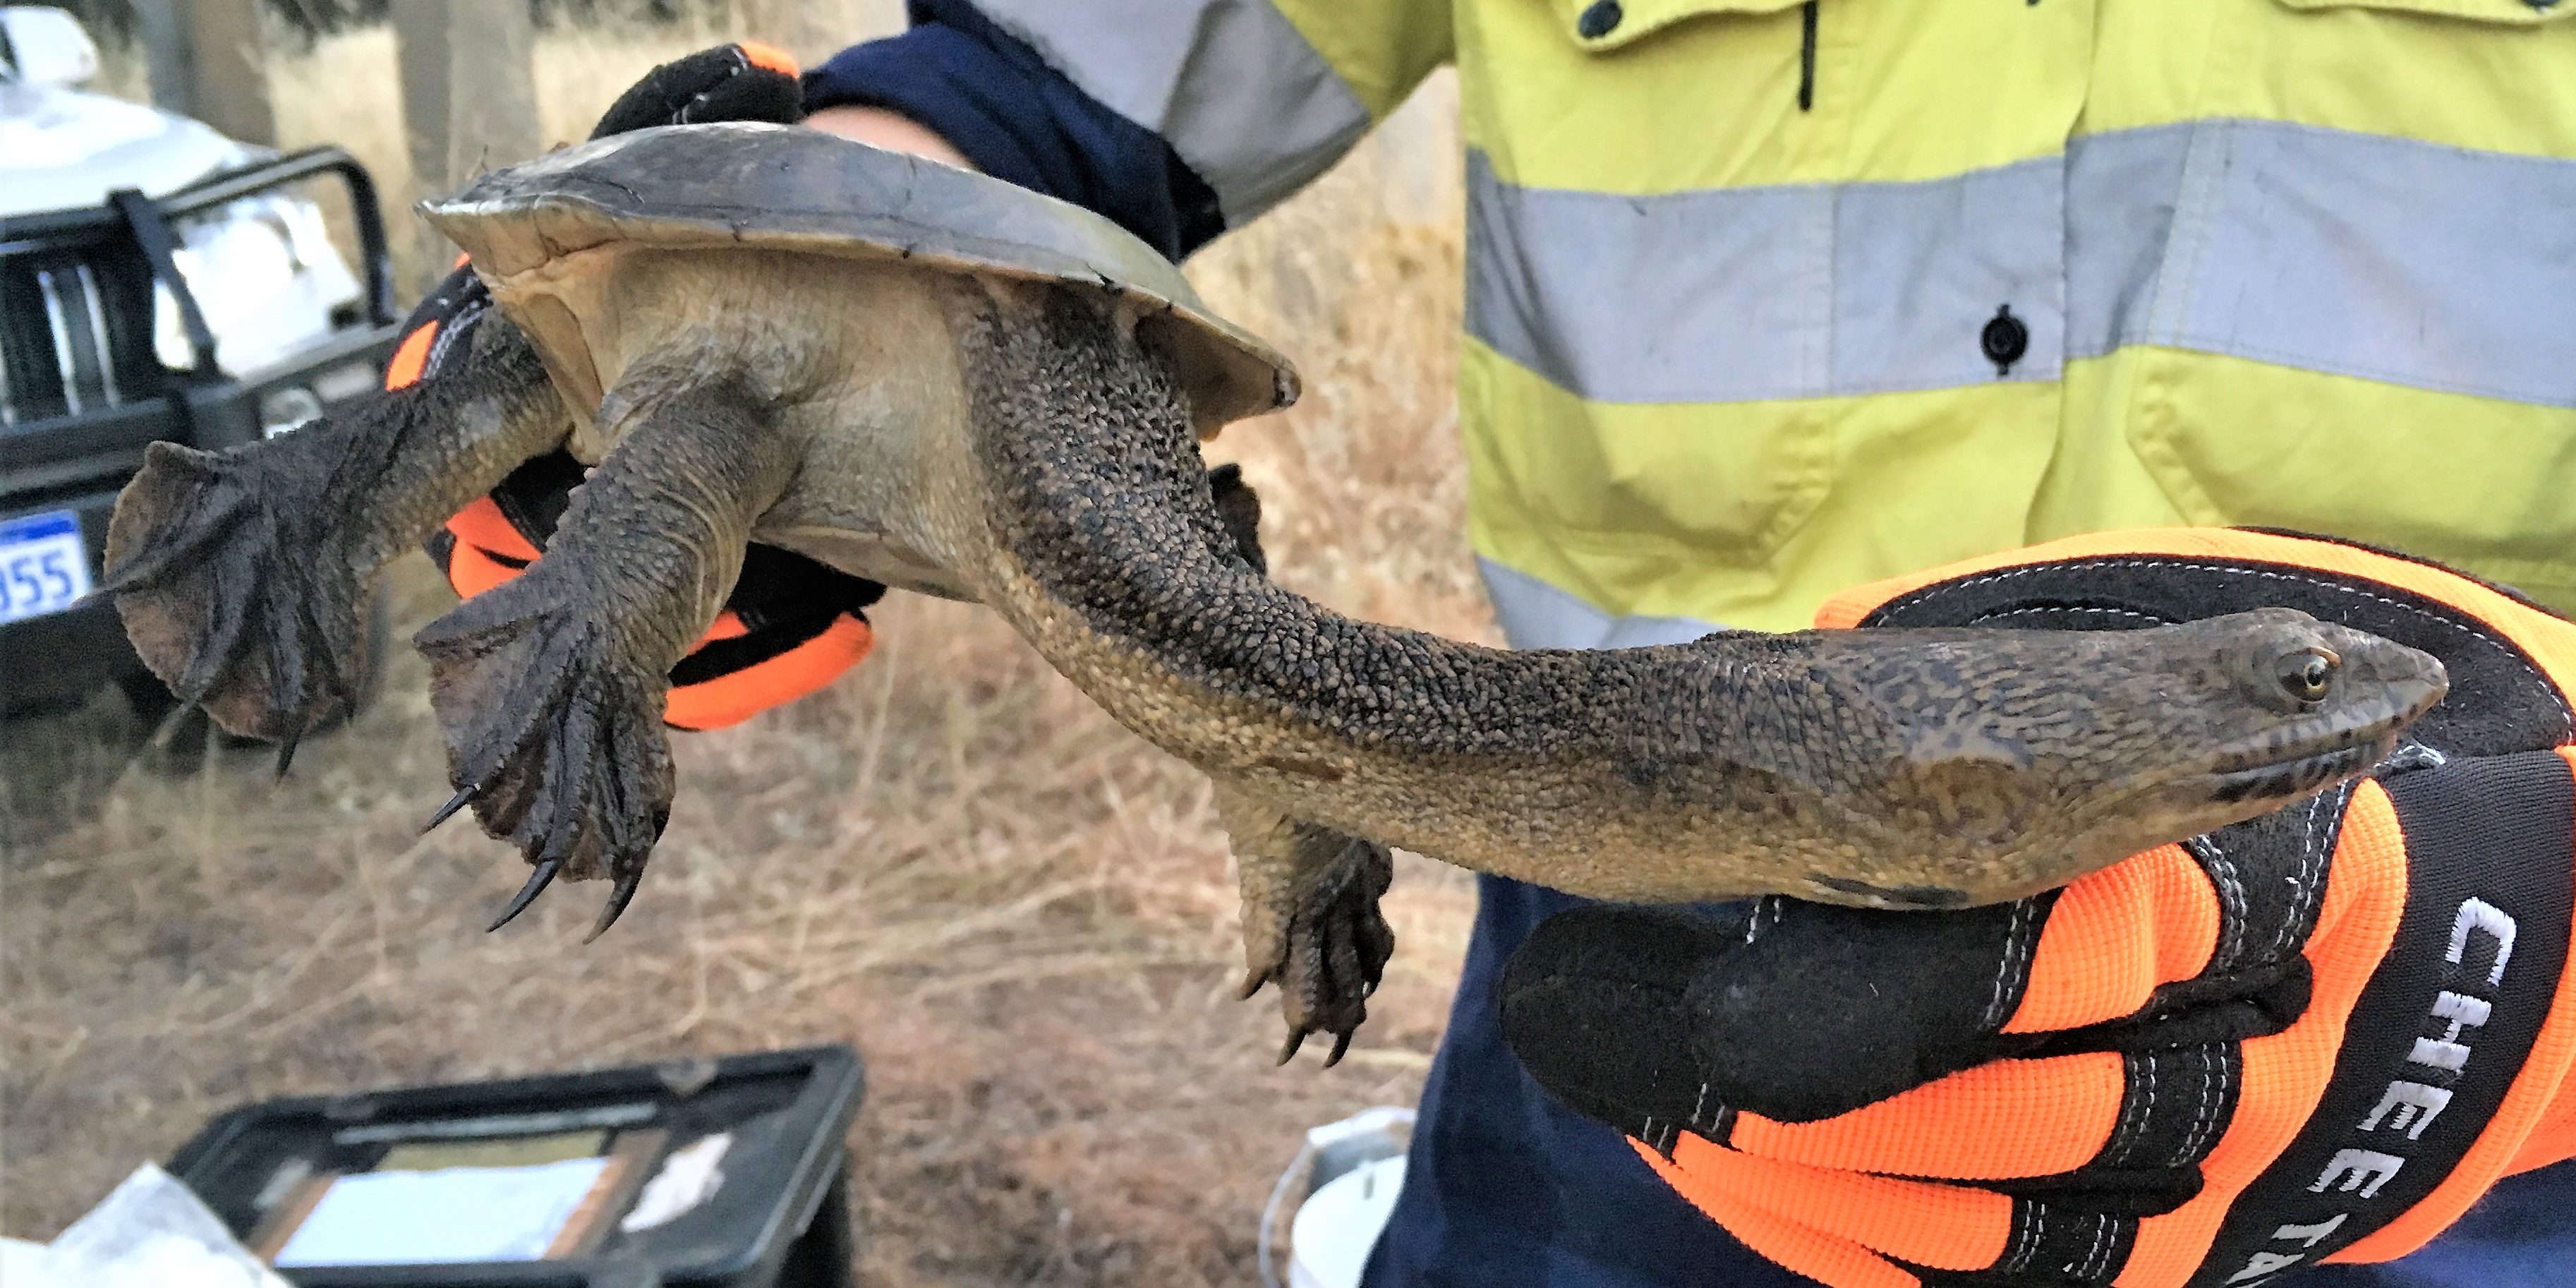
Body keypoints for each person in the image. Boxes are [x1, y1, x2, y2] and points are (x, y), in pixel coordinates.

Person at [409, 7, 2576, 1284]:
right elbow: (1056, 79)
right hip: (1632, 968)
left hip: (2485, 1039)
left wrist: (2549, 954)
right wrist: (789, 248)